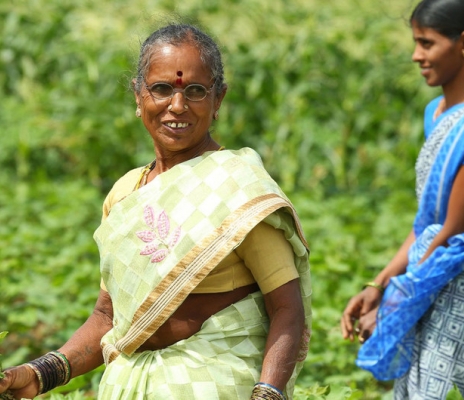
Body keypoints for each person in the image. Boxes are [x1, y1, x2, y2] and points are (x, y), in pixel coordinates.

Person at [0, 23, 311, 400]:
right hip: (129, 387)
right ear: (138, 94)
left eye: (195, 91)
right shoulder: (125, 192)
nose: (177, 106)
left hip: (216, 387)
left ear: (219, 100)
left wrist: (267, 395)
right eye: (162, 89)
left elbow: (287, 309)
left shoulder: (238, 190)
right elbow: (108, 318)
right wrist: (40, 373)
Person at [339, 0, 464, 398]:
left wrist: (393, 302)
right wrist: (380, 282)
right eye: (416, 42)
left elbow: (455, 232)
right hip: (431, 266)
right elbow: (428, 224)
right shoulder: (436, 112)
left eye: (426, 43)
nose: (416, 55)